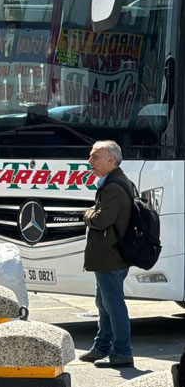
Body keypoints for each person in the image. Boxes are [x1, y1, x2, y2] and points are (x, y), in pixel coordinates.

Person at [79, 140, 135, 368]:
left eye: (95, 157)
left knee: (113, 305)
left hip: (111, 257)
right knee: (103, 303)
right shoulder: (113, 182)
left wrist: (87, 214)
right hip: (108, 257)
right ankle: (101, 346)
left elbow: (101, 220)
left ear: (111, 160)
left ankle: (122, 352)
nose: (90, 162)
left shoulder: (114, 187)